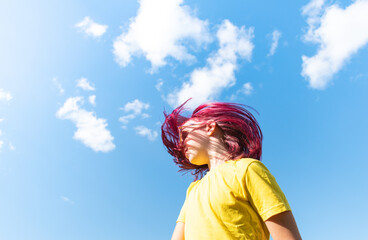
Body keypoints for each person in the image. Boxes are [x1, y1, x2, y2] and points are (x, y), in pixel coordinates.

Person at [161, 100, 302, 240]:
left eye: (185, 134)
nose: (181, 144)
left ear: (210, 127)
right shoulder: (192, 190)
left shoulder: (247, 169)